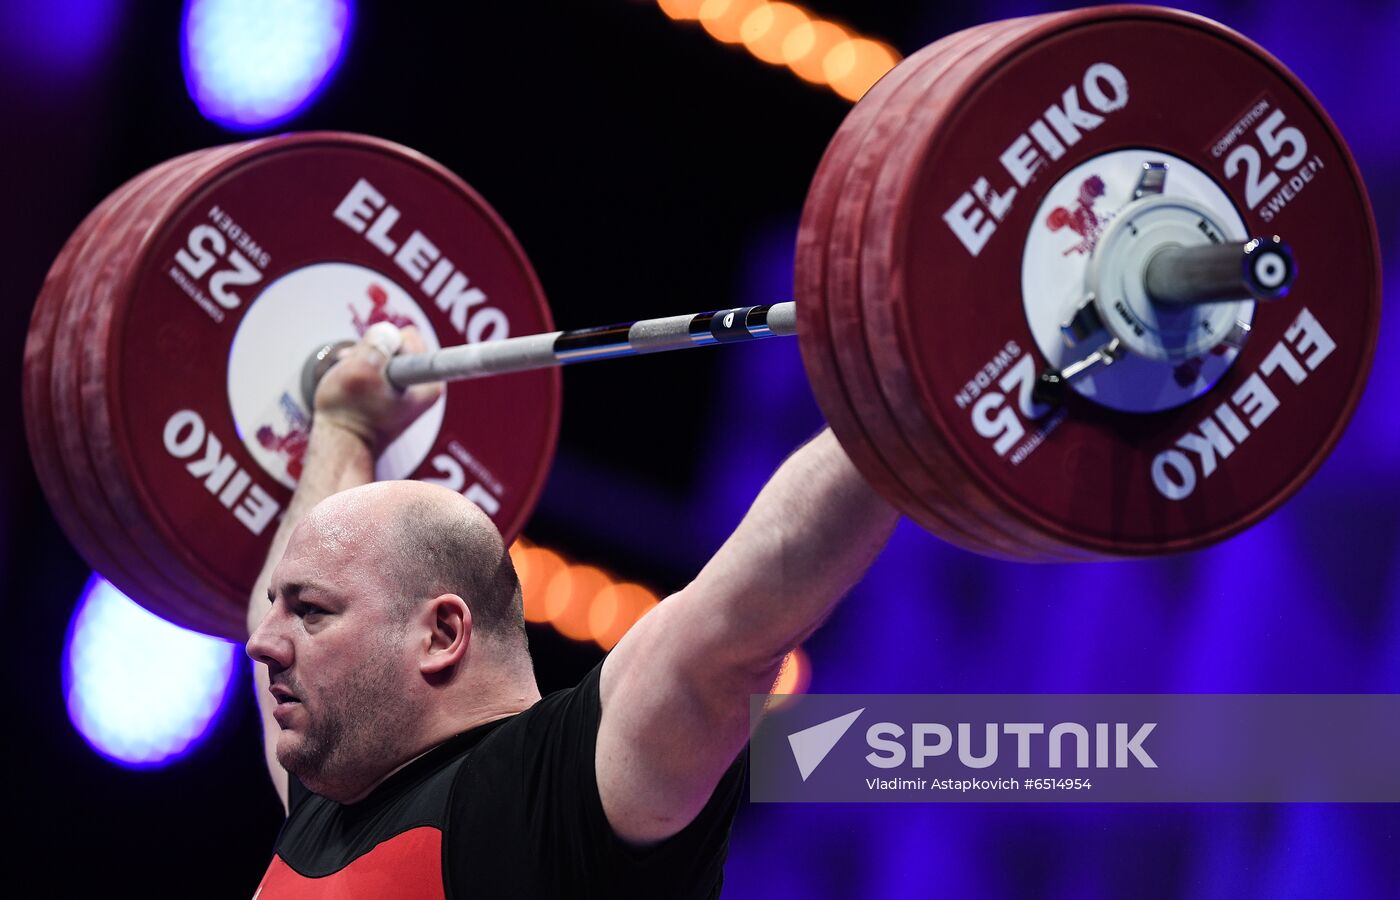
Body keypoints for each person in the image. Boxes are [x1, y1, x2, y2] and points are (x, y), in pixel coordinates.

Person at [244, 324, 899, 898]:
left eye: (313, 614)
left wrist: (912, 388)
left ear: (442, 634)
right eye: (283, 608)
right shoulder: (327, 798)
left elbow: (735, 627)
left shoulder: (547, 798)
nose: (262, 644)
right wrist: (345, 425)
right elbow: (277, 600)